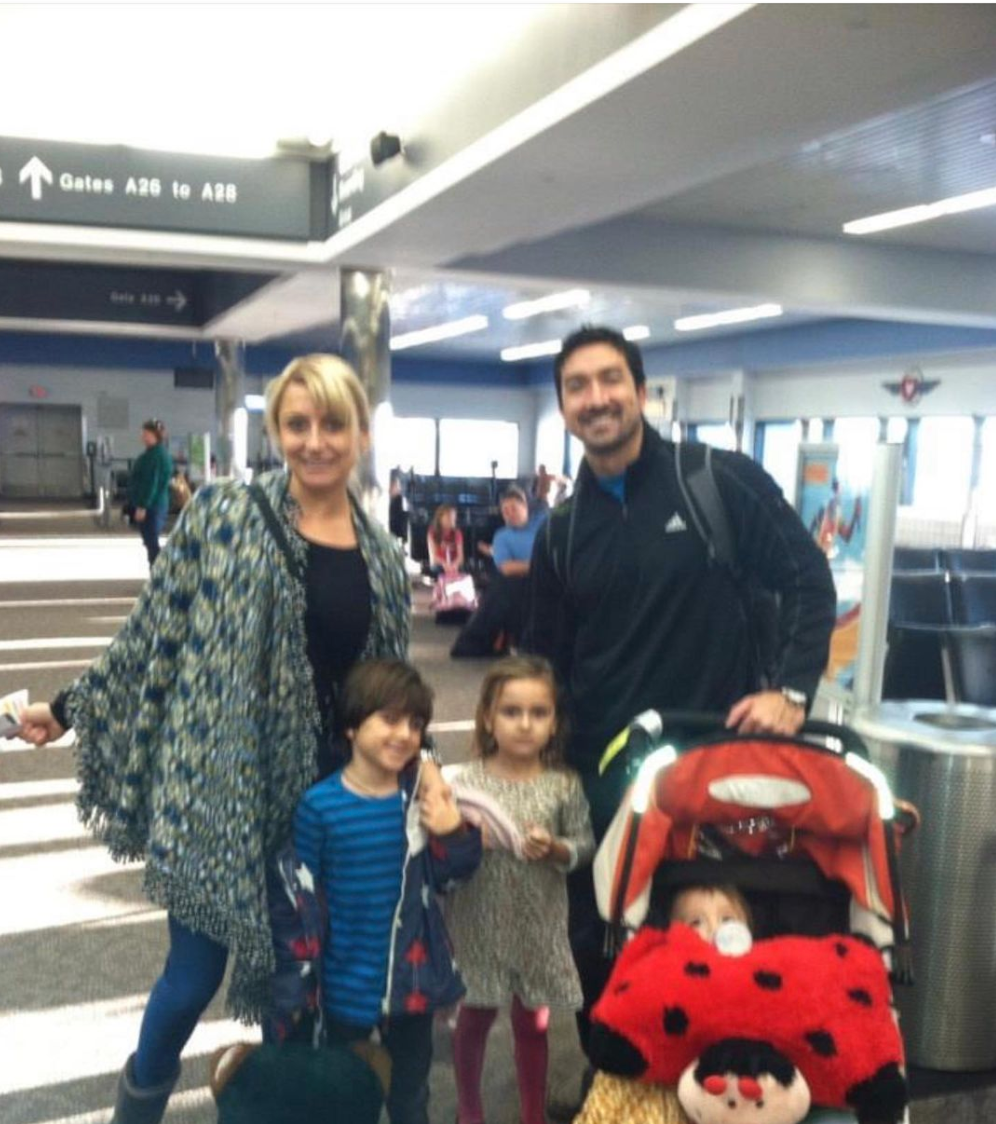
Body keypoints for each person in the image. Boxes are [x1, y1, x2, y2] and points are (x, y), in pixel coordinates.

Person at [17, 354, 410, 1124]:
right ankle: (139, 1106)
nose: (315, 441)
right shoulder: (226, 516)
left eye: (333, 424)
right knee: (192, 978)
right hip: (221, 787)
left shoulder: (384, 558)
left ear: (360, 433)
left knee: (302, 983)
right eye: (297, 424)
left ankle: (283, 1109)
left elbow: (390, 693)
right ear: (277, 431)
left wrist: (414, 774)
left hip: (331, 801)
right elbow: (152, 630)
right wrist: (68, 707)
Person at [523, 325, 837, 1065]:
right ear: (565, 407)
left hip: (717, 761)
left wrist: (791, 691)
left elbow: (807, 581)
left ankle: (720, 1086)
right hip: (605, 773)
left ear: (639, 390)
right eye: (577, 387)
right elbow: (543, 662)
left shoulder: (716, 482)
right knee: (601, 936)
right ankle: (617, 1084)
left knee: (716, 929)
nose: (596, 399)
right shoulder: (562, 532)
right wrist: (533, 761)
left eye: (609, 380)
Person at [294, 659, 482, 1124]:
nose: (404, 734)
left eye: (416, 724)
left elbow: (453, 877)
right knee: (346, 1100)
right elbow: (300, 905)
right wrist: (299, 994)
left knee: (410, 1099)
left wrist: (453, 830)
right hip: (343, 989)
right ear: (353, 726)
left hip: (410, 992)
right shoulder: (319, 807)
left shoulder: (419, 800)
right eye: (390, 719)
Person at [445, 655, 595, 1124]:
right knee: (474, 1018)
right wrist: (464, 840)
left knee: (533, 1022)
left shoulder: (563, 785)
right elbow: (434, 852)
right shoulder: (463, 781)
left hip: (538, 922)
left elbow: (586, 846)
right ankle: (470, 1108)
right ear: (489, 717)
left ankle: (533, 1111)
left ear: (554, 722)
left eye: (539, 713)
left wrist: (555, 848)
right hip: (477, 920)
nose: (525, 725)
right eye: (512, 712)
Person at [452, 487, 546, 657]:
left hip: (551, 580)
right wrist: (542, 565)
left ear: (525, 507)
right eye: (505, 511)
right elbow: (507, 568)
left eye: (513, 509)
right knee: (506, 586)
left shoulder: (545, 524)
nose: (509, 514)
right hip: (520, 584)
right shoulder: (502, 536)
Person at [127, 418, 173, 567]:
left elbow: (151, 483)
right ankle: (158, 573)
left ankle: (159, 574)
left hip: (152, 506)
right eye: (143, 433)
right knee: (150, 542)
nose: (143, 436)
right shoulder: (154, 454)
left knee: (152, 542)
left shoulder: (155, 456)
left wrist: (142, 506)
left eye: (146, 433)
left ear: (156, 435)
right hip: (154, 505)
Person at [427, 502, 465, 574]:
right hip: (439, 565)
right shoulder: (432, 532)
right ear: (440, 518)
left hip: (454, 564)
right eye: (448, 516)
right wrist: (445, 564)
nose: (451, 519)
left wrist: (454, 565)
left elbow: (460, 557)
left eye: (453, 517)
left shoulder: (457, 532)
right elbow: (433, 557)